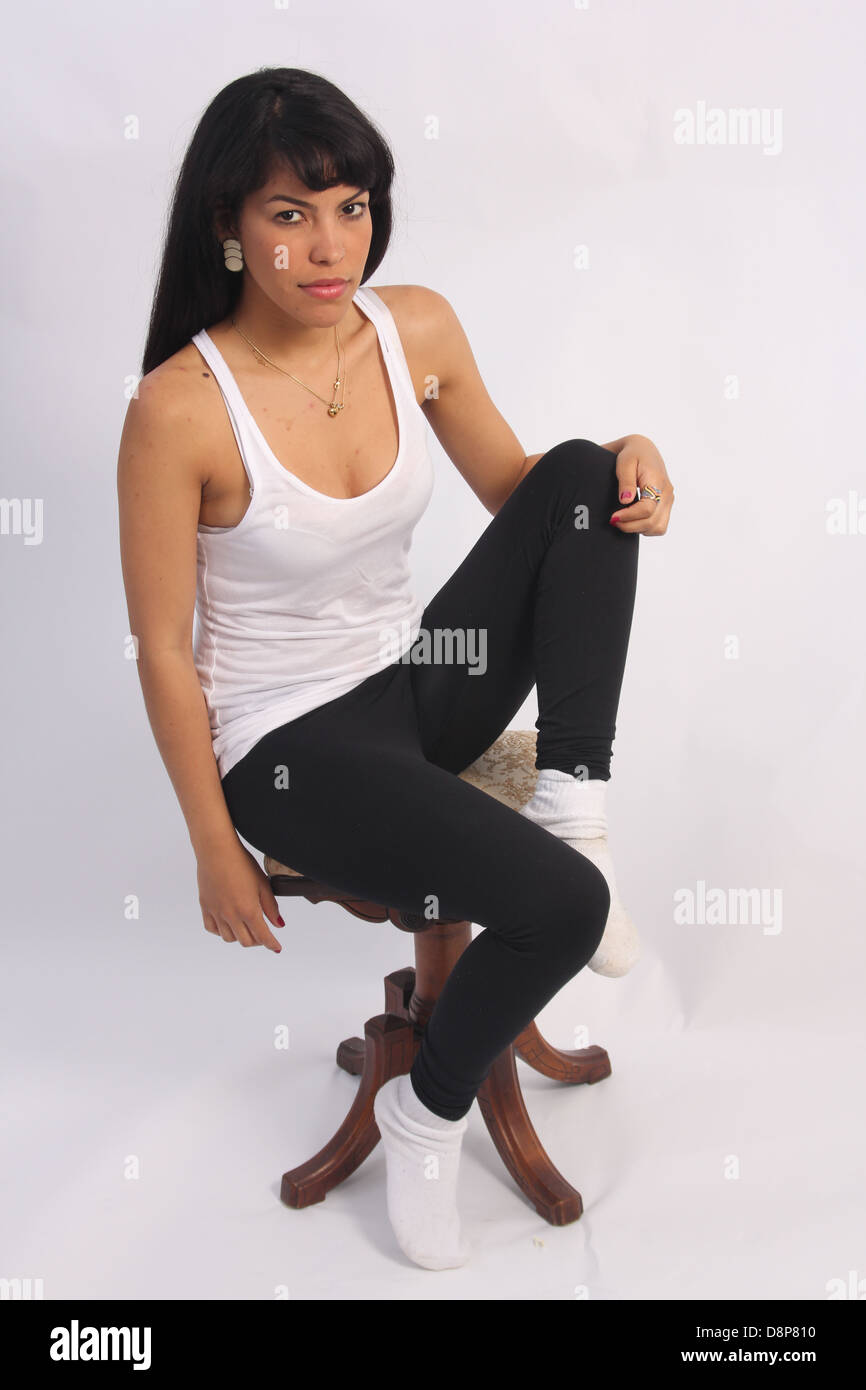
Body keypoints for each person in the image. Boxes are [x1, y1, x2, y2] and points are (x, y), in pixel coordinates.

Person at [117, 66, 675, 1272]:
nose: (330, 247)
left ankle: (575, 808)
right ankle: (425, 1109)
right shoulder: (179, 410)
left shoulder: (407, 328)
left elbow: (519, 494)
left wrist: (629, 464)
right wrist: (212, 841)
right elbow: (161, 647)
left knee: (580, 476)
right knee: (564, 917)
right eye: (288, 214)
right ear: (227, 226)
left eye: (353, 206)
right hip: (287, 749)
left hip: (414, 683)